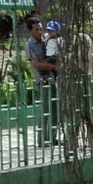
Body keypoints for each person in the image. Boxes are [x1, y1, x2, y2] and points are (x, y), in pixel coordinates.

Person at [26, 18, 61, 147]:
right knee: (45, 110)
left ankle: (52, 137)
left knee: (55, 109)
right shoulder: (30, 45)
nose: (40, 32)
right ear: (30, 31)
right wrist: (55, 67)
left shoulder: (46, 41)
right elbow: (37, 64)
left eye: (41, 29)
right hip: (42, 80)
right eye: (37, 29)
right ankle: (42, 139)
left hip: (52, 79)